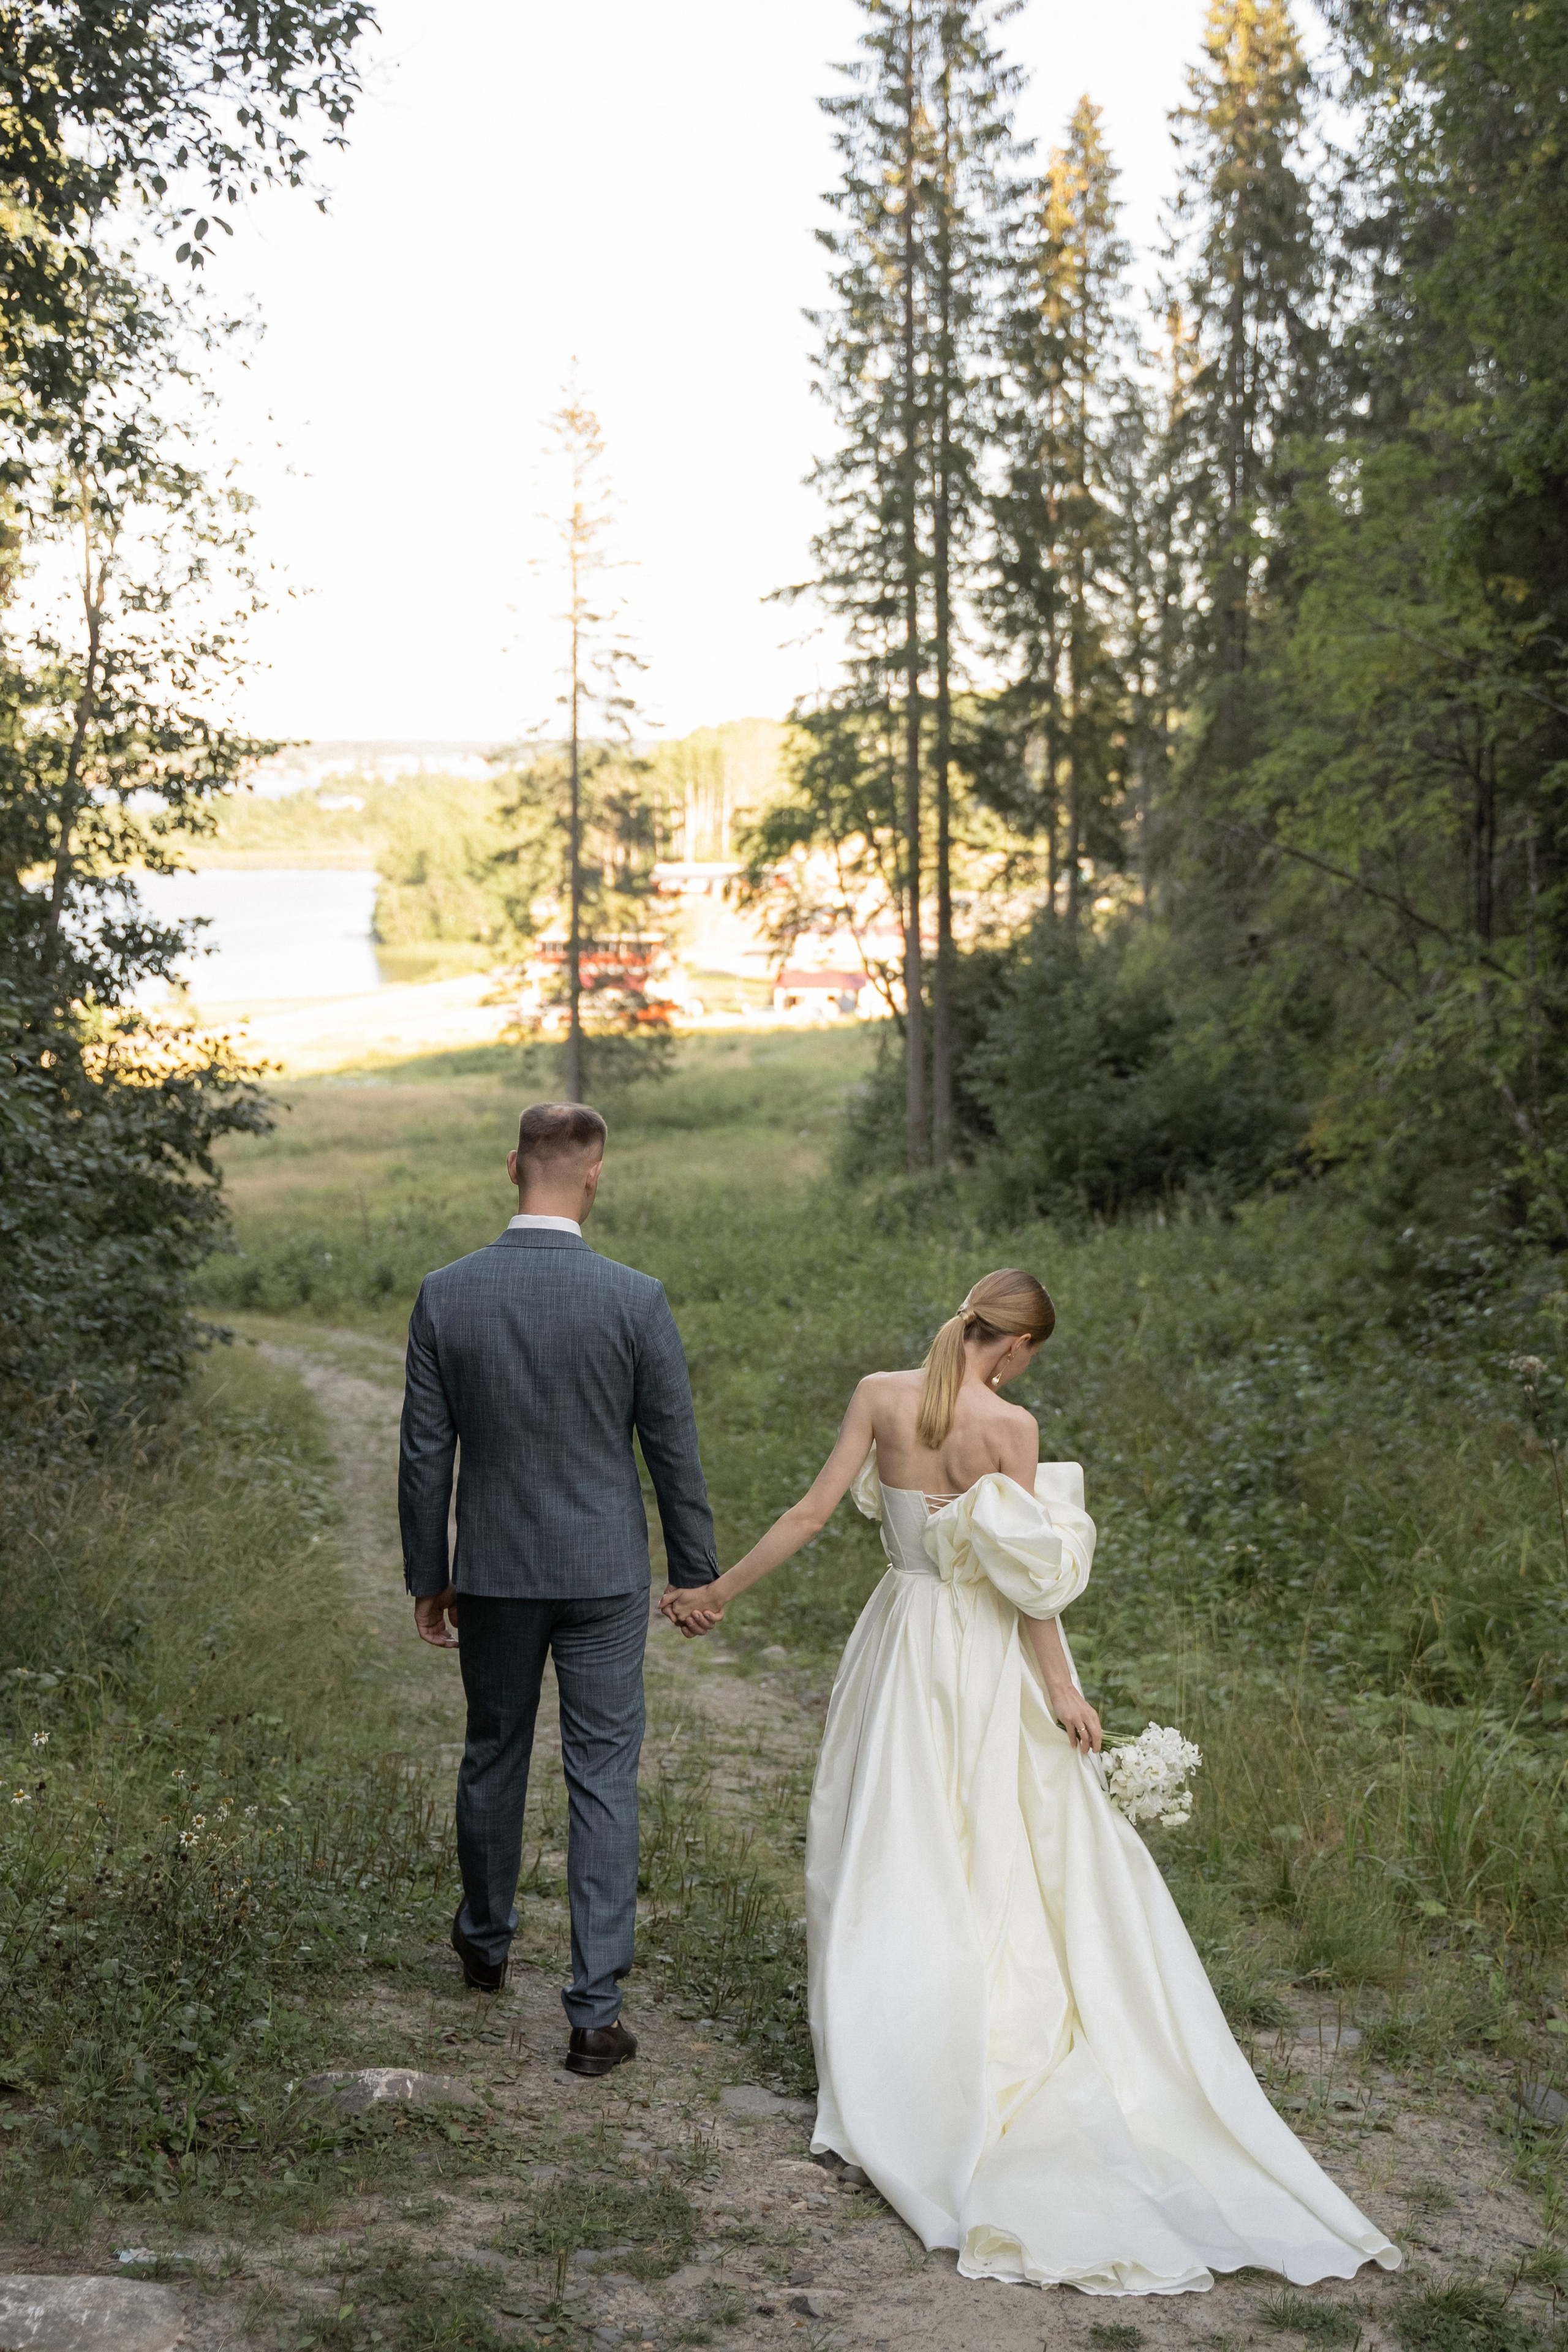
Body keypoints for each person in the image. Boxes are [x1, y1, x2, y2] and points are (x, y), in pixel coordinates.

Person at [664, 1267, 1398, 2297]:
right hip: (977, 1655)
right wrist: (1063, 1690)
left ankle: (883, 2060)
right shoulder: (1010, 1427)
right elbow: (1029, 1582)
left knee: (890, 1840)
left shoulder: (881, 1395)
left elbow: (808, 1511)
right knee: (992, 1847)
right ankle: (969, 2032)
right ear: (1013, 1347)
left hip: (901, 1639)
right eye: (1026, 1354)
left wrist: (715, 1593)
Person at [399, 1100, 718, 2078]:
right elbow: (672, 1450)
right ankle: (593, 2013)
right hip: (603, 1575)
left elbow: (424, 1458)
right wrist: (695, 1570)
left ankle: (486, 1946)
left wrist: (430, 1576)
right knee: (603, 1775)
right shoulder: (635, 1298)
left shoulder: (446, 1294)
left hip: (492, 1570)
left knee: (493, 1749)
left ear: (512, 1168)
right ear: (594, 1176)